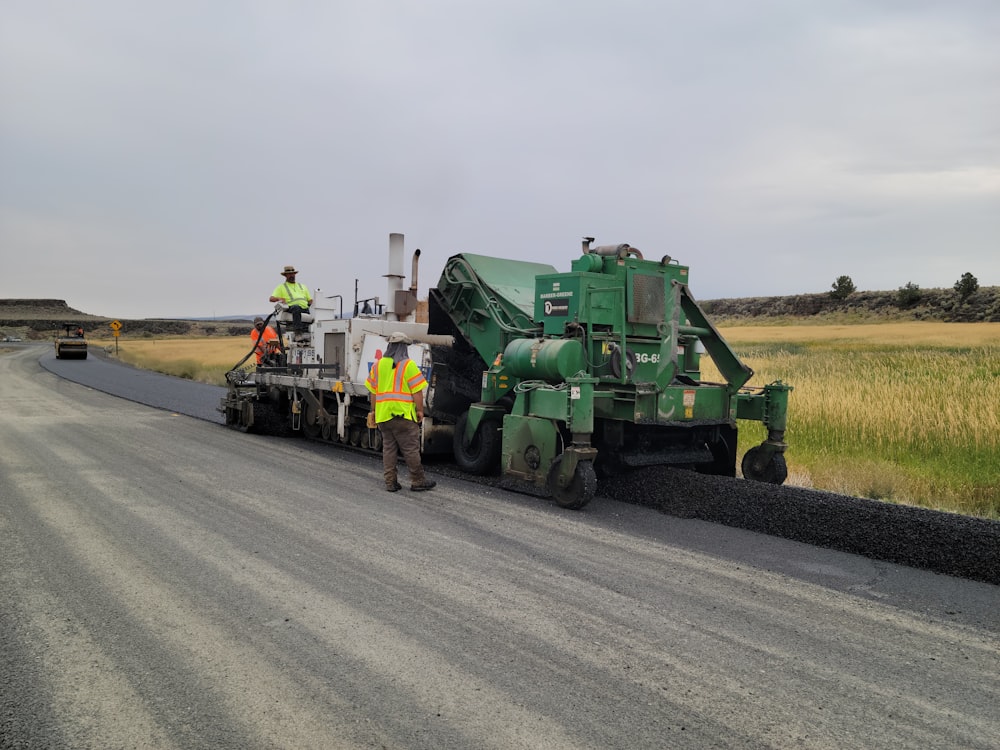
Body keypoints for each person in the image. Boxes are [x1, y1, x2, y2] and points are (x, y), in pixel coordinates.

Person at [365, 332, 436, 492]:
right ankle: (417, 481)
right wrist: (419, 410)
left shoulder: (378, 365)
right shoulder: (407, 365)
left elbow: (373, 393)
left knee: (389, 449)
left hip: (383, 416)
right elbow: (417, 391)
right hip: (403, 416)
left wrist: (374, 412)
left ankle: (390, 482)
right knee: (410, 449)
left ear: (389, 346)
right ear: (404, 347)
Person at [269, 265, 313, 330]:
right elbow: (271, 298)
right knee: (296, 307)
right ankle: (298, 332)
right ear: (285, 275)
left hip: (305, 308)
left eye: (293, 274)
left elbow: (310, 300)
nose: (292, 275)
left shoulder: (302, 286)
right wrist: (279, 298)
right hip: (292, 309)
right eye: (289, 274)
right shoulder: (281, 287)